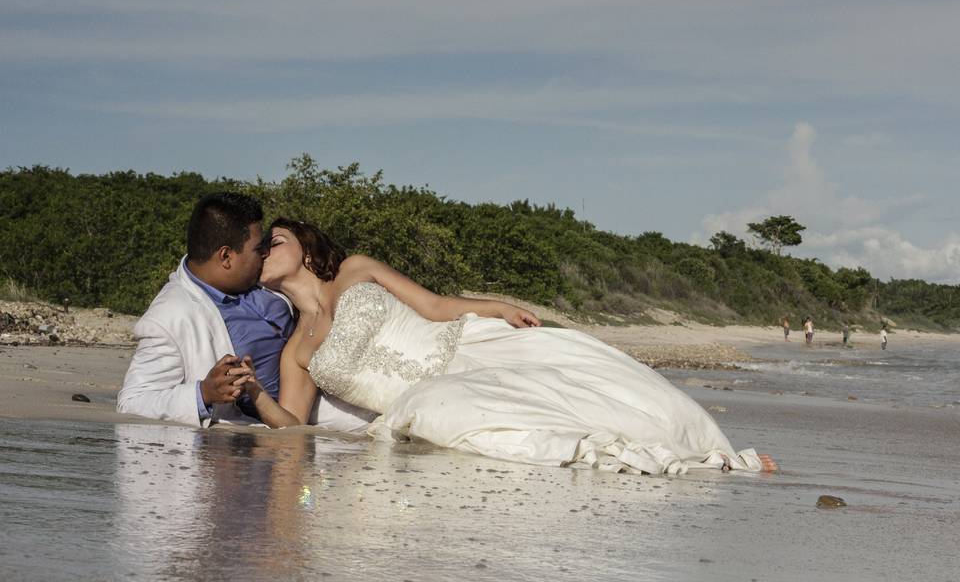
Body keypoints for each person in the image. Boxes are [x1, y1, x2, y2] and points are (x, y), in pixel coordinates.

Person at [238, 219, 777, 475]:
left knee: (589, 380)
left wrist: (495, 307)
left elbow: (434, 306)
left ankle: (719, 455)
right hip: (424, 398)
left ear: (306, 245)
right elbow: (295, 429)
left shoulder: (356, 270)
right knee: (500, 427)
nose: (266, 252)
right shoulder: (296, 352)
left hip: (465, 351)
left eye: (276, 240)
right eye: (258, 251)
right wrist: (253, 395)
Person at [117, 193, 375, 430]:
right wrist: (203, 393)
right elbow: (132, 402)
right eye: (258, 249)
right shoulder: (169, 317)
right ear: (226, 257)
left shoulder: (263, 277)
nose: (265, 254)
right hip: (302, 426)